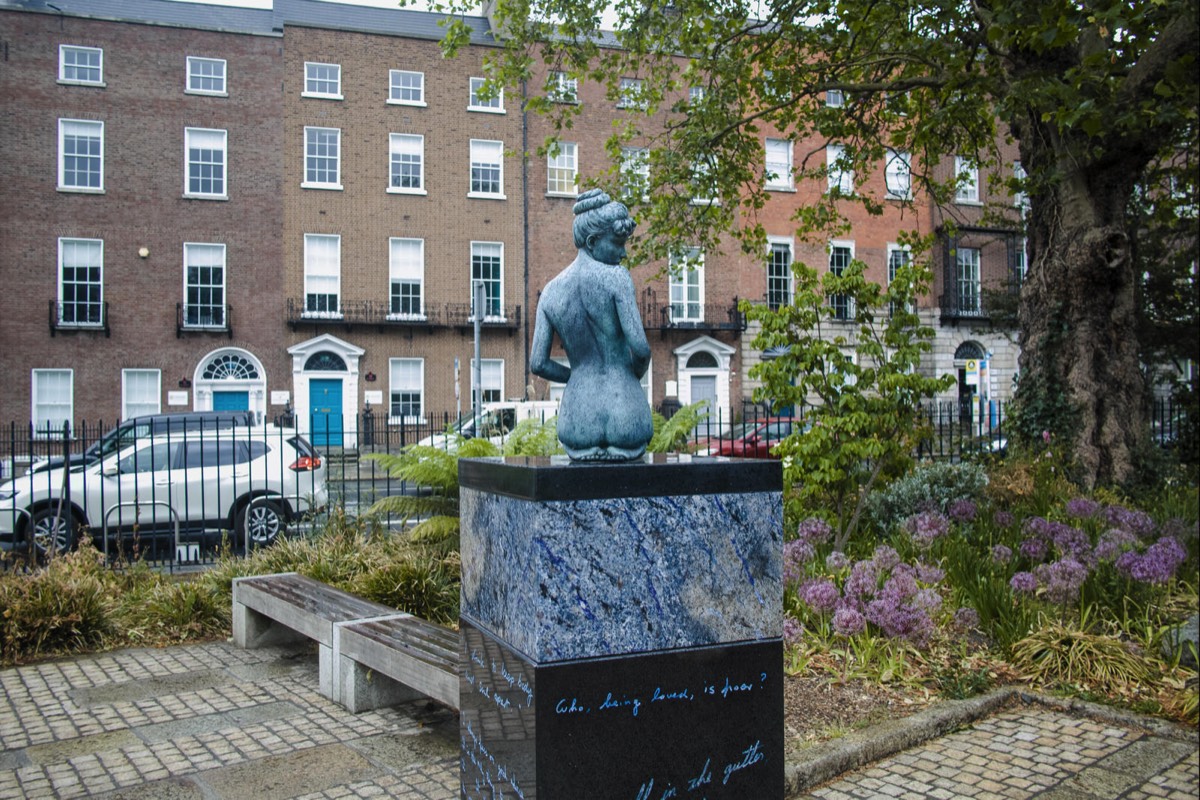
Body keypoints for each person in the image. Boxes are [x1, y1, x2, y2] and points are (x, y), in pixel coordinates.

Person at [531, 188, 653, 461]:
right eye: (617, 243)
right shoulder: (617, 278)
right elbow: (642, 349)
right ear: (592, 241)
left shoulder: (550, 292)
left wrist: (574, 376)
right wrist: (631, 374)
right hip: (627, 420)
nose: (623, 254)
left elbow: (538, 364)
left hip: (576, 426)